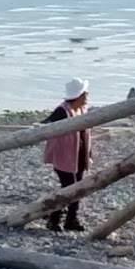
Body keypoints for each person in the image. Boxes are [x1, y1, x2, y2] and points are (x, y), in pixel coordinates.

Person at [41, 78, 93, 231]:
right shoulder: (62, 111)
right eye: (85, 94)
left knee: (77, 189)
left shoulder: (83, 109)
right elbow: (48, 126)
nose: (87, 96)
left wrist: (89, 154)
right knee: (68, 189)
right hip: (64, 157)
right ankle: (54, 219)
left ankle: (71, 220)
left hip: (79, 157)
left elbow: (86, 134)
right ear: (78, 96)